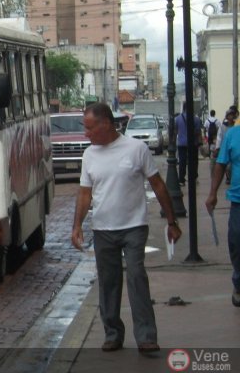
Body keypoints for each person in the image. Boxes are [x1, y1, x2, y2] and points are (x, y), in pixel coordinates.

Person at [71, 103, 182, 354]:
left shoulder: (136, 149)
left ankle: (146, 336)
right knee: (108, 282)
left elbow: (158, 185)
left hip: (134, 226)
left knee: (136, 276)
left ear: (106, 125)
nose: (85, 134)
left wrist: (171, 221)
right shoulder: (89, 155)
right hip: (103, 229)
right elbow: (85, 193)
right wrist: (77, 225)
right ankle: (113, 333)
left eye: (89, 128)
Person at [205, 116, 240, 308]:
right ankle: (239, 284)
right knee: (236, 242)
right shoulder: (233, 134)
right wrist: (212, 194)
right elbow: (221, 163)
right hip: (238, 201)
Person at [174, 104, 203, 185]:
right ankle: (193, 177)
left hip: (181, 143)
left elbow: (175, 131)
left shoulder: (177, 119)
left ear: (183, 109)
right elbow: (197, 131)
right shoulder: (196, 119)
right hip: (193, 143)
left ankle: (181, 179)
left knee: (182, 161)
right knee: (193, 161)